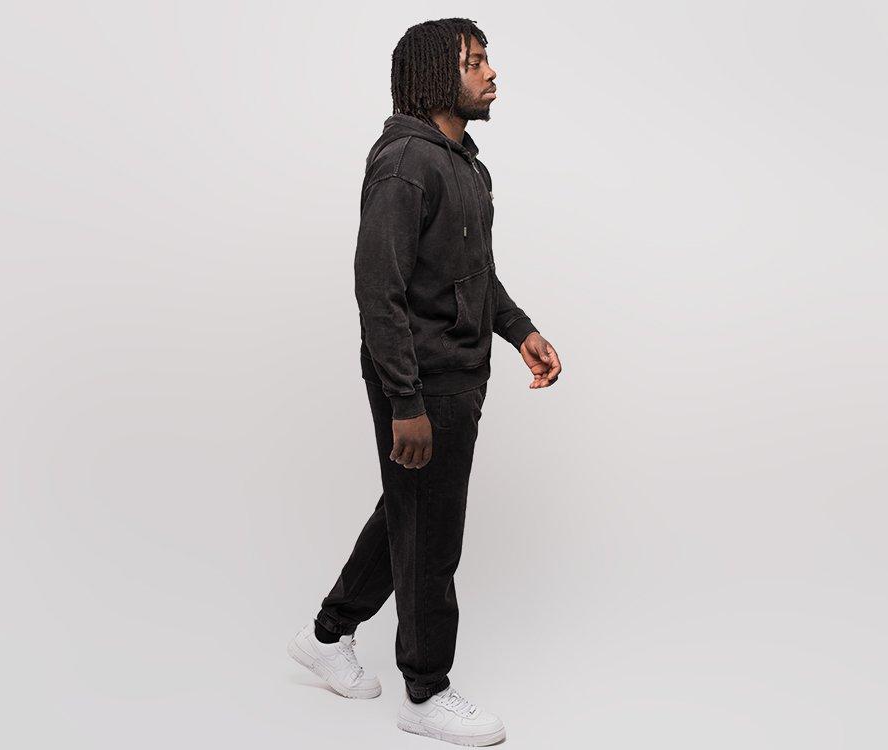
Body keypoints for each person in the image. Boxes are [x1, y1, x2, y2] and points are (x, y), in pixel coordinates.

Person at [287, 17, 562, 746]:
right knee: (433, 535)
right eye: (475, 62)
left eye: (488, 60)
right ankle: (425, 689)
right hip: (419, 378)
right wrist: (405, 402)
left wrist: (521, 332)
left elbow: (475, 274)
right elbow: (378, 290)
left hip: (460, 373)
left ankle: (327, 634)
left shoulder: (465, 163)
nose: (491, 73)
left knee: (409, 511)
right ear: (438, 75)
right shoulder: (406, 162)